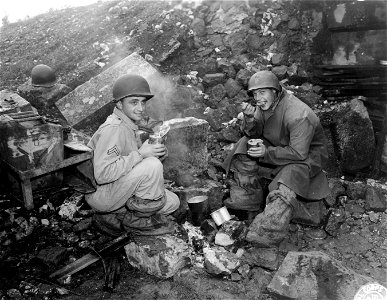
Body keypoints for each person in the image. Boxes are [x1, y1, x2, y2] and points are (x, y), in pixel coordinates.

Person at [222, 70, 330, 247]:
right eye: (255, 94)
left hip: (306, 156)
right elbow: (254, 132)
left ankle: (269, 231)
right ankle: (248, 199)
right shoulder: (265, 104)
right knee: (244, 145)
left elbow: (299, 153)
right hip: (278, 144)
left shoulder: (298, 114)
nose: (258, 98)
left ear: (275, 91)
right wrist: (249, 118)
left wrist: (266, 153)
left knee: (289, 177)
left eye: (262, 92)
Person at [85, 74, 180, 237]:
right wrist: (141, 154)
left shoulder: (129, 124)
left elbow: (131, 162)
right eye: (134, 102)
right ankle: (138, 222)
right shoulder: (114, 128)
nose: (141, 108)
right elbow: (102, 175)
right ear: (120, 104)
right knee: (152, 165)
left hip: (116, 187)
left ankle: (116, 216)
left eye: (143, 102)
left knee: (172, 202)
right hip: (102, 193)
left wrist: (158, 153)